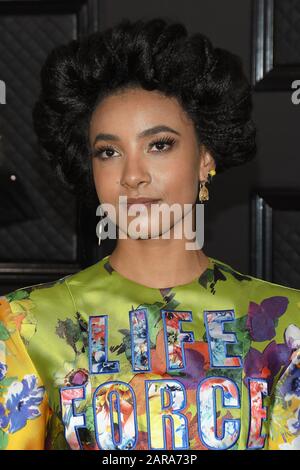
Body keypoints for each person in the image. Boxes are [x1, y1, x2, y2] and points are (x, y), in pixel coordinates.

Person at [0, 17, 299, 451]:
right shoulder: (26, 327)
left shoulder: (286, 329)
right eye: (108, 151)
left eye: (159, 144)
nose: (132, 175)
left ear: (205, 158)